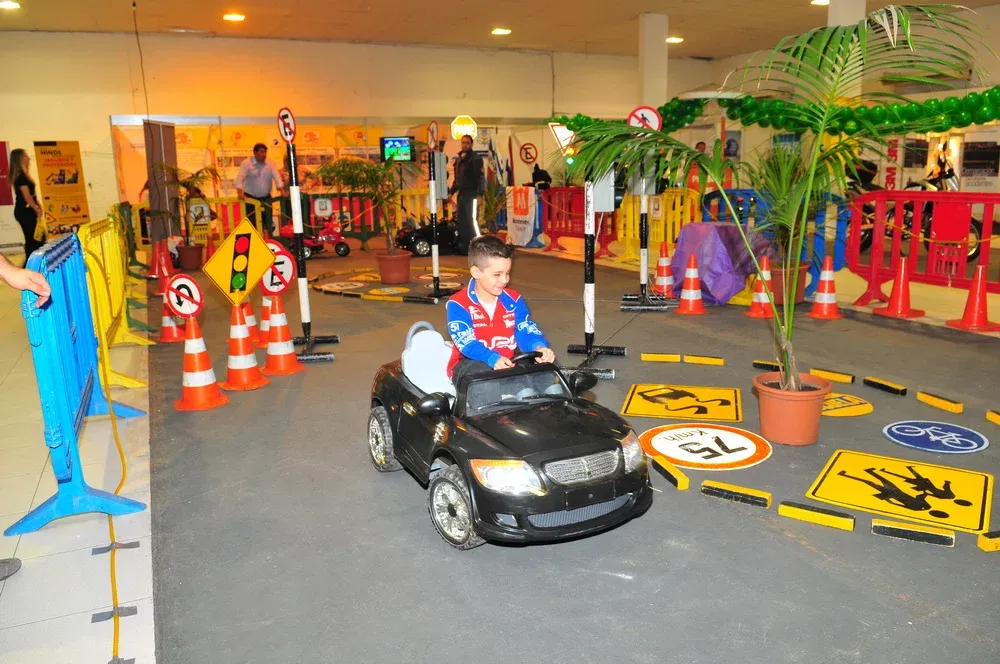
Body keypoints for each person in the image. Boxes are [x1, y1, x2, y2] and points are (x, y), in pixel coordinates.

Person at [445, 235, 555, 386]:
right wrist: (492, 358)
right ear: (476, 272)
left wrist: (539, 347)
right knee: (485, 382)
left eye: (507, 273)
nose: (504, 280)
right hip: (470, 363)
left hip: (508, 361)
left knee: (546, 376)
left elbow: (524, 329)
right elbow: (466, 342)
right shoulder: (458, 304)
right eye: (497, 275)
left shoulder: (514, 300)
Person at [235, 143, 284, 234]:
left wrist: (282, 191)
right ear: (255, 152)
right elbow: (240, 178)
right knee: (251, 222)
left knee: (267, 222)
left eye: (265, 152)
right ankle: (253, 242)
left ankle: (268, 241)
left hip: (266, 199)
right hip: (250, 198)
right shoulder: (246, 163)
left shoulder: (270, 163)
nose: (264, 154)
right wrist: (240, 192)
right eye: (261, 152)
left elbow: (277, 177)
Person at [449, 135, 484, 255]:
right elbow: (457, 179)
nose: (465, 145)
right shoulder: (459, 159)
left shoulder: (475, 158)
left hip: (472, 195)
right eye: (463, 142)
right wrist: (451, 192)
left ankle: (479, 248)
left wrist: (480, 194)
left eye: (467, 143)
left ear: (471, 144)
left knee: (472, 221)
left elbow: (480, 178)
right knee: (462, 222)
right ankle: (465, 249)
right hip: (462, 195)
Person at [9, 148, 45, 264]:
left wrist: (38, 206)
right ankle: (29, 266)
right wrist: (36, 208)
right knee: (33, 239)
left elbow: (32, 195)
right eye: (25, 156)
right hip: (24, 211)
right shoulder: (21, 177)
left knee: (37, 238)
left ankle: (32, 264)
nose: (28, 158)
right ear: (19, 159)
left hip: (28, 210)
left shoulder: (24, 175)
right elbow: (27, 196)